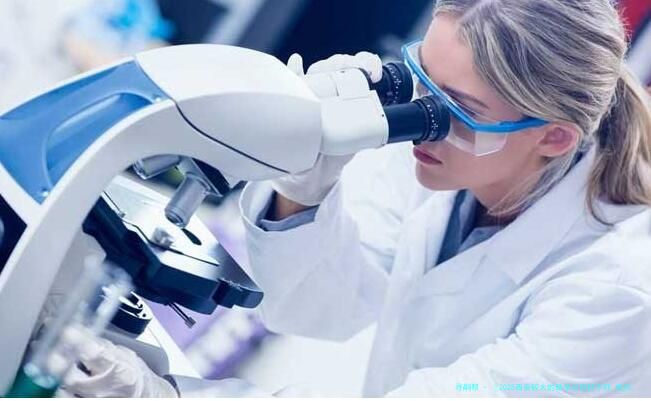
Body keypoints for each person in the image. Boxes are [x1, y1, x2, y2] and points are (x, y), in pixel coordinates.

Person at [61, 0, 651, 397]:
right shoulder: (447, 161)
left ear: (554, 138)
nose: (422, 122)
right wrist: (303, 186)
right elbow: (318, 310)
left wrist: (167, 394)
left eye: (461, 111)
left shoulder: (619, 290)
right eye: (421, 81)